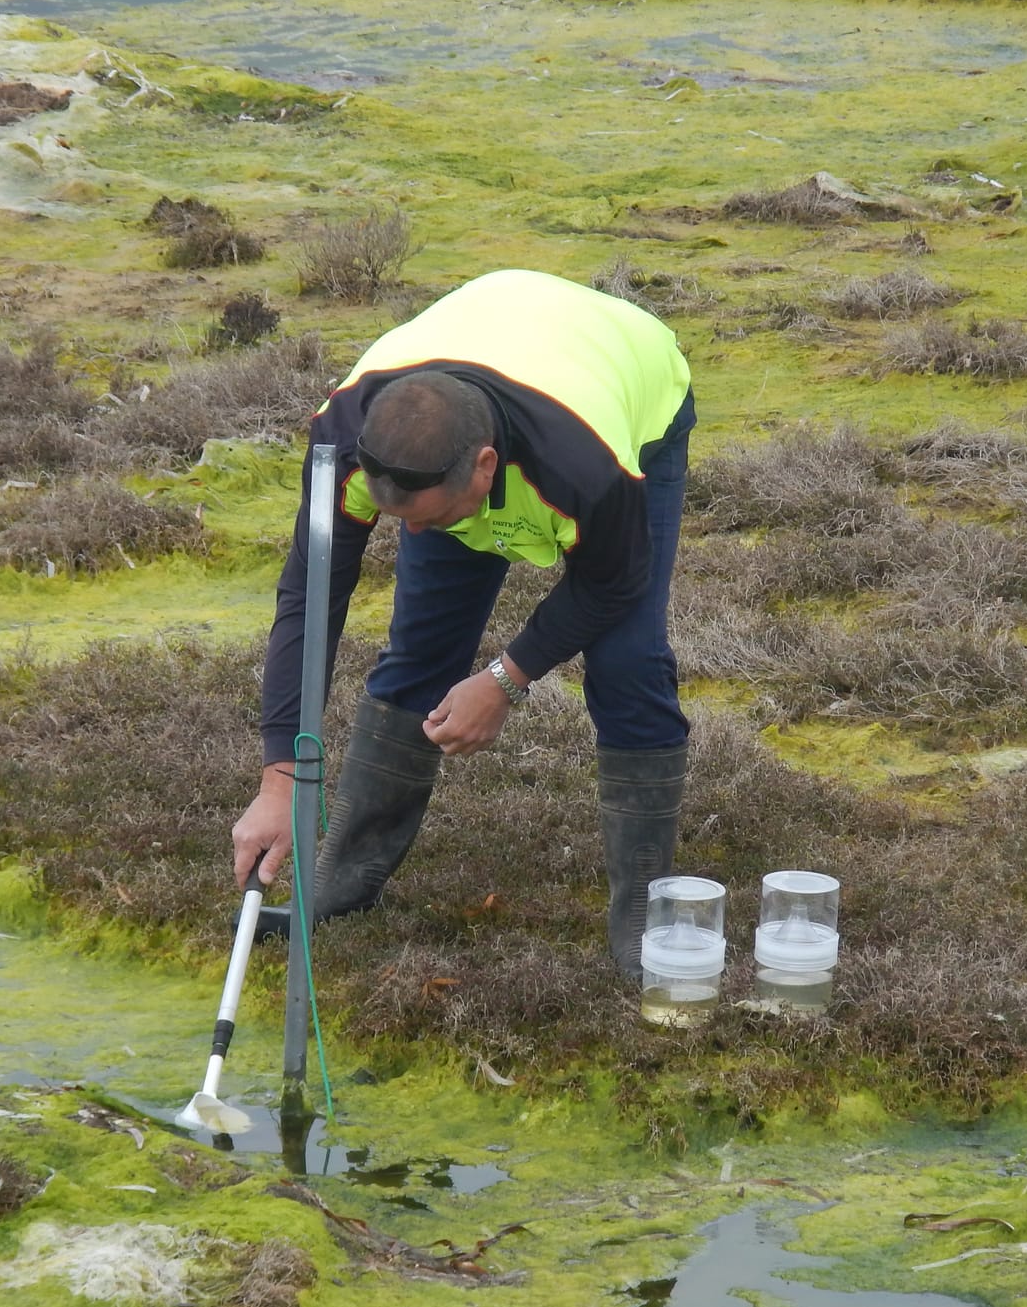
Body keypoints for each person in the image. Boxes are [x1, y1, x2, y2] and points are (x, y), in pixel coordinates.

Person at [230, 268, 696, 975]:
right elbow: (310, 595)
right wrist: (280, 774)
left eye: (433, 518)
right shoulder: (346, 443)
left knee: (628, 663)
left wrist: (506, 679)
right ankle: (340, 883)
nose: (413, 533)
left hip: (625, 373)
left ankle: (643, 922)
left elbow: (611, 582)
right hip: (487, 347)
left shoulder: (588, 469)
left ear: (484, 468)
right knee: (423, 646)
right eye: (399, 520)